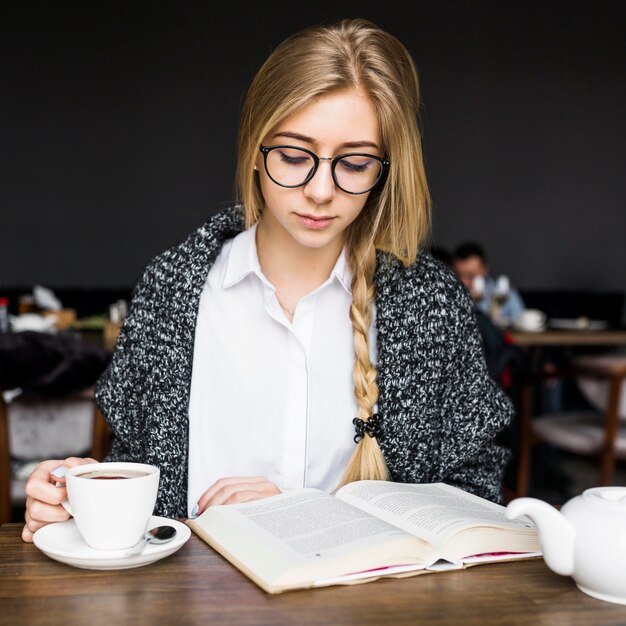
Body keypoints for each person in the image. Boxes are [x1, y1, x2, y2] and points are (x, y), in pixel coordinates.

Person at [22, 18, 513, 542]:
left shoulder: (429, 304)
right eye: (294, 156)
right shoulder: (171, 290)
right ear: (255, 150)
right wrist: (78, 503)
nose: (321, 190)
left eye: (354, 163)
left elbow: (474, 501)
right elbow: (141, 485)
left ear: (384, 170)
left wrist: (305, 516)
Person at [452, 242, 525, 325]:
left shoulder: (505, 294)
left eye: (470, 276)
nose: (464, 282)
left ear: (485, 270)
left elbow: (521, 326)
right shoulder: (448, 294)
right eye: (458, 275)